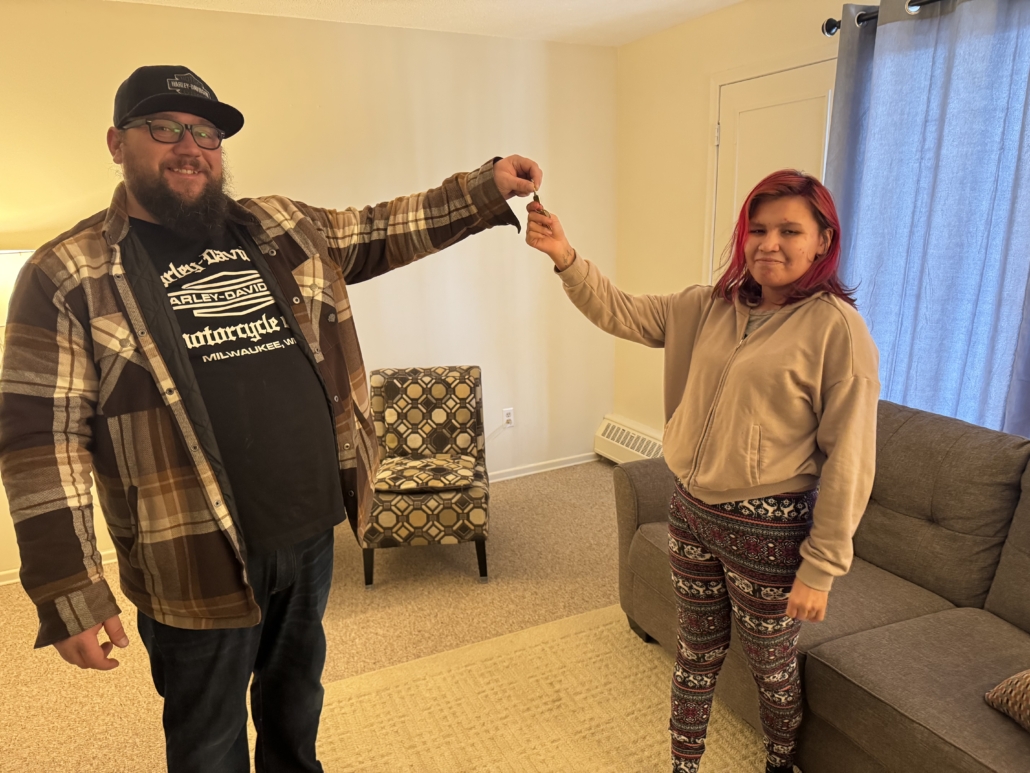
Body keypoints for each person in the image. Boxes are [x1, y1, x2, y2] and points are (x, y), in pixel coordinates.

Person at [0, 64, 541, 773]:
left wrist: (485, 186)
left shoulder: (281, 226)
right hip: (189, 553)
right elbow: (42, 440)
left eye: (207, 133)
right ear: (117, 142)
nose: (190, 147)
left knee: (295, 707)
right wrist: (69, 586)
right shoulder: (68, 271)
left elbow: (381, 229)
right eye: (164, 128)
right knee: (209, 741)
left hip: (311, 531)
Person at [525, 170, 880, 773]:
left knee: (770, 667)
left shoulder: (837, 330)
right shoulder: (709, 305)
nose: (769, 243)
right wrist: (565, 256)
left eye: (789, 231)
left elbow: (852, 455)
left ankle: (779, 762)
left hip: (767, 532)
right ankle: (683, 764)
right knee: (696, 649)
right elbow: (620, 311)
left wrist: (821, 568)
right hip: (689, 510)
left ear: (823, 240)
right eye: (757, 229)